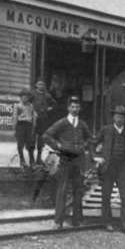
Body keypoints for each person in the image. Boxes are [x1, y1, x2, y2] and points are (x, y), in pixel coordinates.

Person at [43, 95, 92, 229]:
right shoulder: (62, 122)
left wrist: (84, 145)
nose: (75, 109)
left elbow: (89, 138)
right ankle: (58, 221)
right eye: (72, 106)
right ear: (68, 108)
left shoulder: (82, 124)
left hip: (79, 161)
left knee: (78, 190)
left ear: (80, 108)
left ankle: (77, 220)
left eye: (77, 107)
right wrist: (58, 146)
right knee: (62, 190)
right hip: (65, 160)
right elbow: (46, 135)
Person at [91, 105, 125, 234]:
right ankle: (107, 223)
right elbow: (93, 143)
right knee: (106, 196)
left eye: (122, 116)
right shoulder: (106, 130)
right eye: (117, 115)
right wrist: (96, 157)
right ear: (113, 117)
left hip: (123, 167)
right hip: (108, 167)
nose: (119, 118)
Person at [31, 79, 55, 165]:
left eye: (43, 84)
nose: (41, 86)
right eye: (39, 84)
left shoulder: (47, 95)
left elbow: (54, 104)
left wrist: (48, 109)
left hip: (43, 119)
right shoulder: (32, 94)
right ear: (36, 85)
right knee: (32, 138)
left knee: (41, 139)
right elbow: (27, 103)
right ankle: (31, 159)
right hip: (33, 119)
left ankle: (39, 158)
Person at [13, 89, 37, 168]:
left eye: (26, 97)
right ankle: (22, 160)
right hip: (20, 125)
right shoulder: (18, 106)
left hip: (28, 126)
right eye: (23, 97)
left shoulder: (31, 106)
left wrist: (33, 127)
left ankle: (32, 161)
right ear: (20, 97)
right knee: (20, 144)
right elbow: (15, 117)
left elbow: (33, 117)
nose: (25, 99)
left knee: (30, 144)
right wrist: (14, 129)